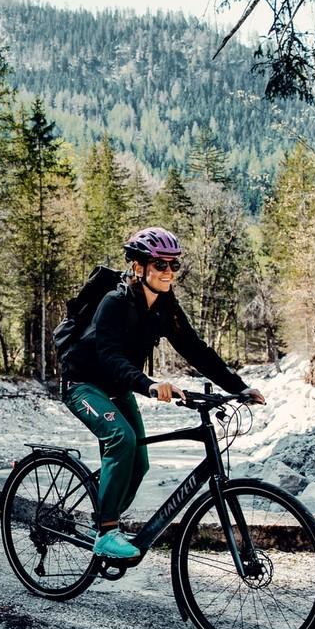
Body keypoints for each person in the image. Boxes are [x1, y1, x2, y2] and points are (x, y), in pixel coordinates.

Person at [59, 226, 265, 561]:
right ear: (138, 266)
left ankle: (103, 518)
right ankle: (106, 532)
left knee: (139, 464)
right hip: (83, 384)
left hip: (118, 389)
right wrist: (150, 385)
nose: (168, 271)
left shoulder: (165, 306)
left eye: (174, 265)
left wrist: (238, 387)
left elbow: (195, 349)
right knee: (122, 439)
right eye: (160, 264)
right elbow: (109, 357)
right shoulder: (114, 303)